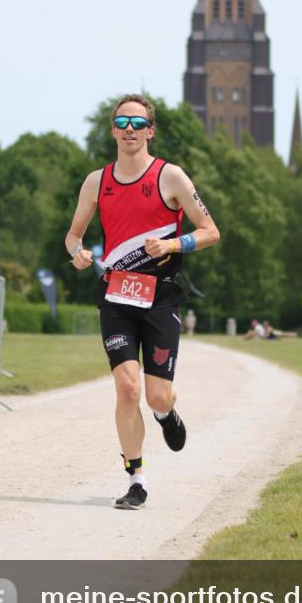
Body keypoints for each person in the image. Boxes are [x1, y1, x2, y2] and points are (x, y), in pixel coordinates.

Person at [65, 94, 220, 510]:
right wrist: (76, 253)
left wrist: (172, 242)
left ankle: (167, 414)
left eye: (137, 123)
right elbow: (73, 235)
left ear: (150, 131)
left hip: (159, 298)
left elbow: (210, 231)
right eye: (122, 122)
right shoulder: (97, 182)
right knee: (127, 387)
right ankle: (137, 479)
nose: (129, 129)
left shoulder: (171, 177)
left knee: (156, 396)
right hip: (116, 297)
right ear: (113, 130)